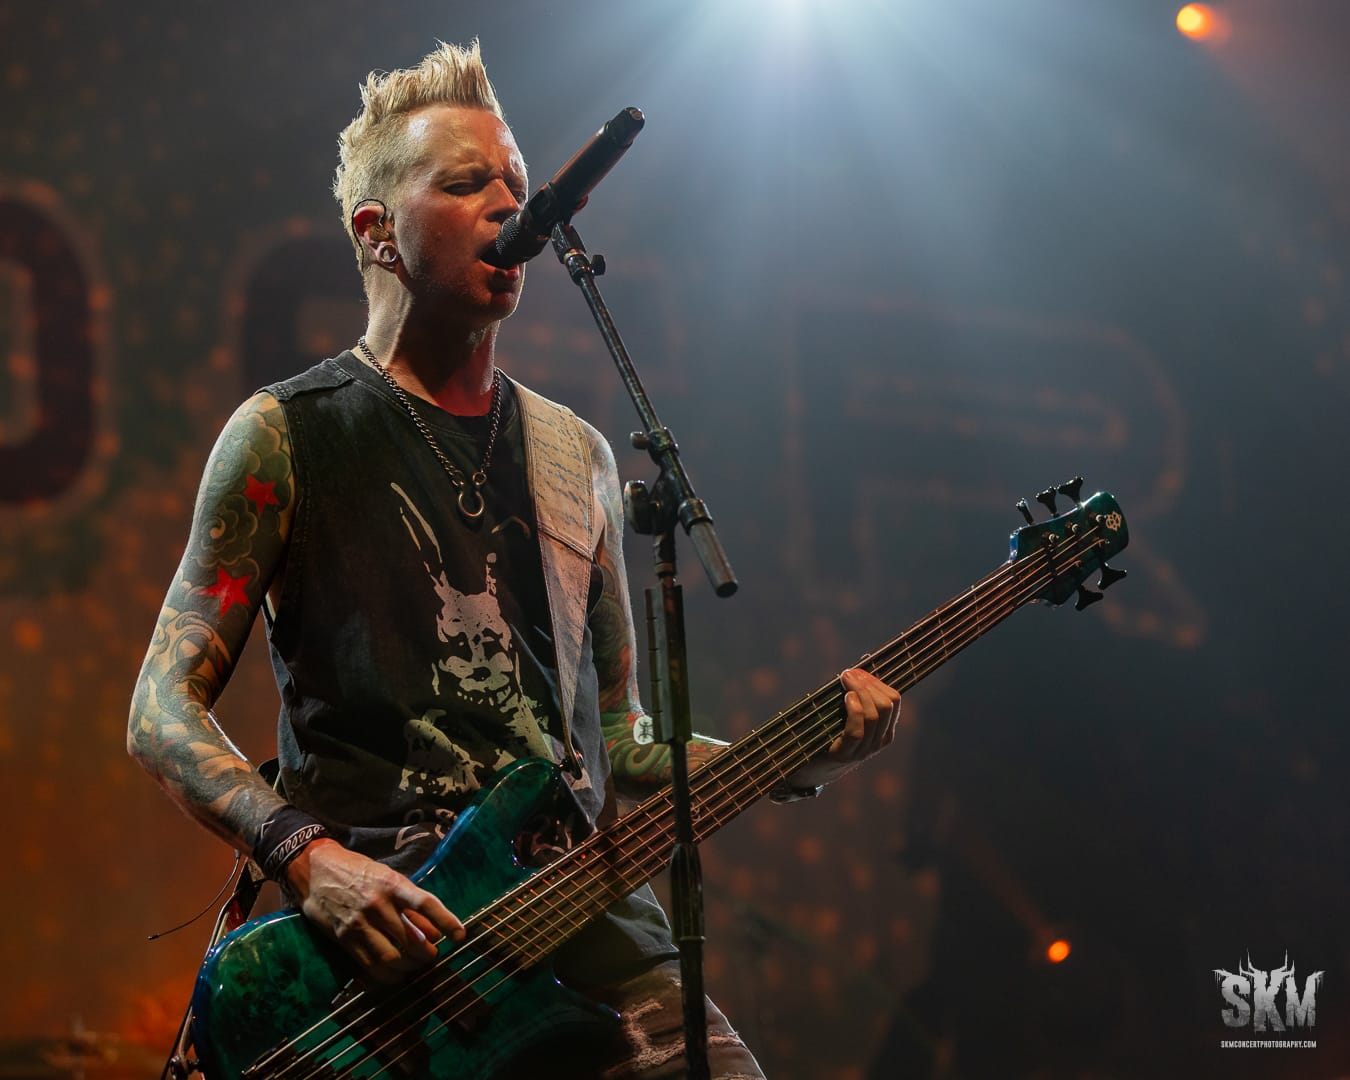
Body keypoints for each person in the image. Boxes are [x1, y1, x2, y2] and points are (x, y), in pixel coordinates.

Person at [127, 40, 901, 1079]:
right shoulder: (286, 433)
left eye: (516, 182)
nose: (508, 203)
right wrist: (308, 859)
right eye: (464, 184)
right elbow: (160, 709)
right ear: (377, 232)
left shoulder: (577, 458)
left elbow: (618, 740)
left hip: (591, 927)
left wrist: (788, 755)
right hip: (391, 958)